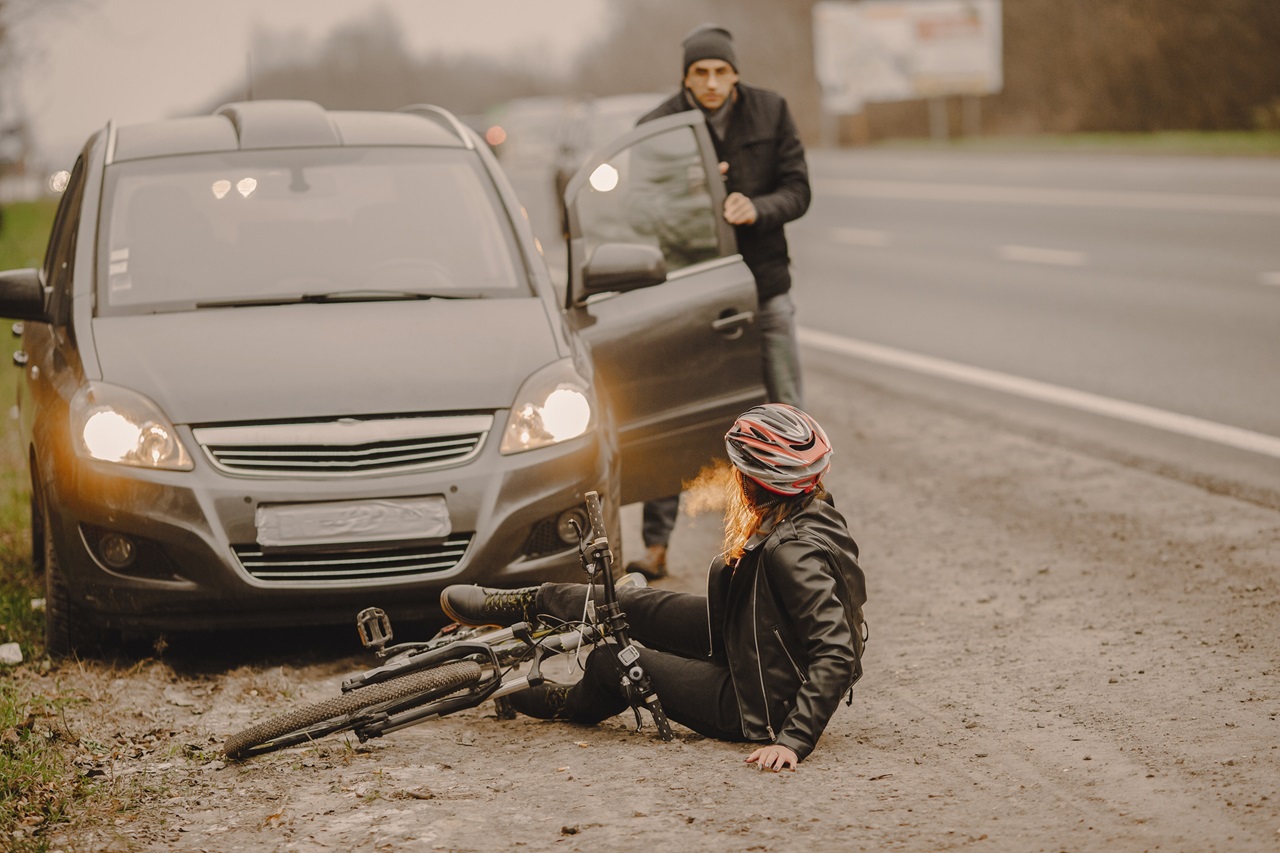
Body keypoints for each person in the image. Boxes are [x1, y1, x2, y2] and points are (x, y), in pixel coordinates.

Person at [440, 404, 865, 770]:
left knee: (614, 660)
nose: (734, 476)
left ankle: (563, 702)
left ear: (758, 479)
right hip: (747, 641)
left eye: (740, 469)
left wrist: (792, 741)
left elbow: (837, 649)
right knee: (627, 601)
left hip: (755, 702)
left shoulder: (793, 552)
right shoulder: (809, 510)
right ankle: (523, 602)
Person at [628, 23, 812, 581]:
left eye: (720, 71)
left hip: (763, 287)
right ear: (685, 77)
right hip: (687, 295)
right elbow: (641, 213)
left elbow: (799, 190)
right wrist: (694, 200)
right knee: (669, 415)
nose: (711, 82)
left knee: (786, 410)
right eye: (699, 72)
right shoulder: (655, 129)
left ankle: (802, 527)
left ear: (735, 73)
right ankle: (655, 546)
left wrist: (756, 208)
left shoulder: (771, 111)